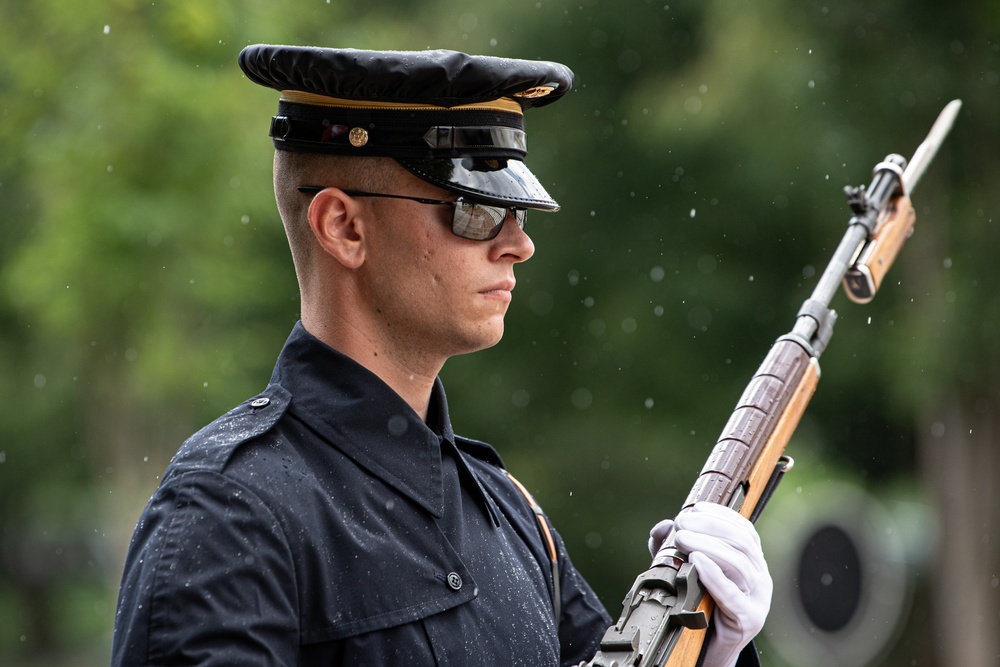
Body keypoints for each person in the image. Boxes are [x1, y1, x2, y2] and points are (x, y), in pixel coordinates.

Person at [111, 45, 771, 666]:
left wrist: (713, 652)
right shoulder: (228, 512)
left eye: (520, 213)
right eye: (477, 210)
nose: (517, 245)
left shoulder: (511, 512)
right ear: (344, 227)